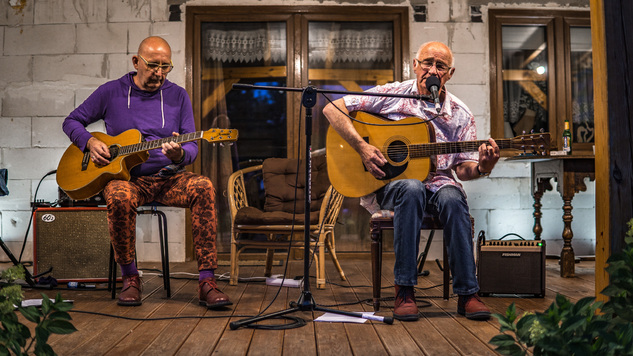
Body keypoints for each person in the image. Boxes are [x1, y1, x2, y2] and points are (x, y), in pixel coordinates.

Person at [323, 41, 500, 321]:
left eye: (440, 66)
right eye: (427, 62)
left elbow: (464, 169)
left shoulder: (460, 114)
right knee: (412, 187)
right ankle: (404, 290)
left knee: (453, 196)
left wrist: (483, 167)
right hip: (391, 185)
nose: (432, 69)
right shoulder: (392, 94)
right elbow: (333, 108)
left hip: (439, 183)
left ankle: (468, 293)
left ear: (450, 73)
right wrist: (362, 147)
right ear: (415, 65)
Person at [62, 36, 231, 309]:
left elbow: (191, 145)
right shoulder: (111, 92)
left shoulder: (178, 95)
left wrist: (181, 154)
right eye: (153, 66)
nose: (159, 73)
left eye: (166, 67)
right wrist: (90, 142)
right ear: (136, 62)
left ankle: (206, 281)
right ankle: (130, 277)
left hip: (168, 178)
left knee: (204, 186)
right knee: (118, 196)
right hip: (128, 179)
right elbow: (71, 121)